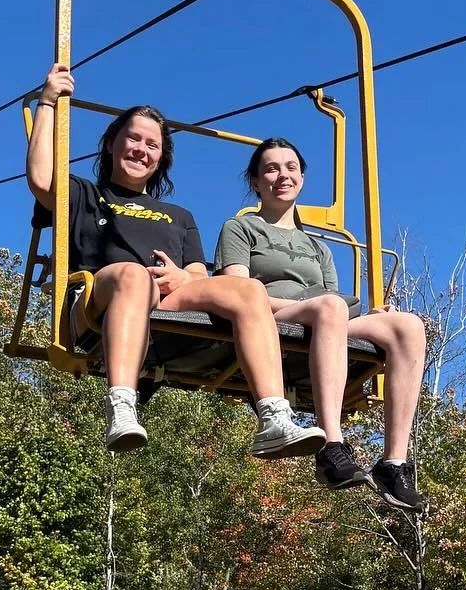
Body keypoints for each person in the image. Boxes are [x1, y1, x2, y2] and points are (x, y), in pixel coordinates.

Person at [25, 66, 325, 459]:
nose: (141, 150)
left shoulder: (179, 216)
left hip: (167, 298)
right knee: (135, 276)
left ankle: (273, 416)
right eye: (133, 138)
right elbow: (42, 178)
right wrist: (47, 104)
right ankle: (122, 405)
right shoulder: (84, 194)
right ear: (112, 144)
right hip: (101, 297)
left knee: (248, 288)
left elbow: (198, 274)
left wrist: (181, 276)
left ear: (161, 157)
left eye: (152, 145)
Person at [215, 137, 427, 512]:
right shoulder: (241, 229)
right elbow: (236, 290)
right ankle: (332, 444)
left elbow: (332, 306)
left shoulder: (319, 247)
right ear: (256, 182)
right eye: (272, 168)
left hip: (322, 316)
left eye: (291, 167)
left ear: (301, 177)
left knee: (407, 326)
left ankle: (394, 463)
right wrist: (314, 305)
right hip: (268, 316)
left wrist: (361, 316)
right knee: (329, 307)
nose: (283, 175)